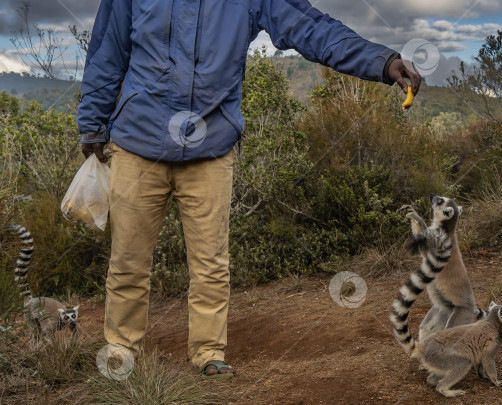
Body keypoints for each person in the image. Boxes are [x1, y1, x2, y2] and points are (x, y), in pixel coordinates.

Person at [77, 0, 421, 378]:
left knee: (210, 261)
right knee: (128, 260)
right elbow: (107, 51)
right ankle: (121, 352)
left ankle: (208, 354)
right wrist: (93, 121)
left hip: (210, 144)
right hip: (138, 141)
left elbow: (312, 28)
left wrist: (382, 62)